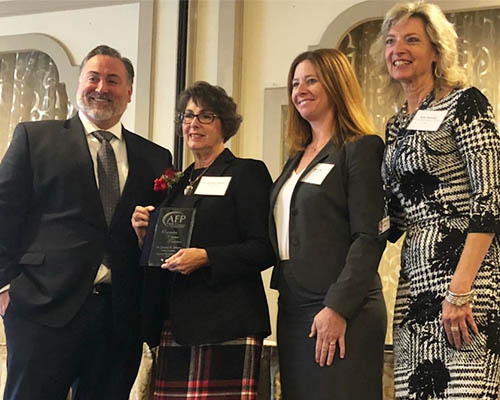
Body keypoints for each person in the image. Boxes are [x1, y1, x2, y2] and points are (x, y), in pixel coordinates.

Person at [0, 45, 172, 400]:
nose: (101, 87)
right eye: (93, 77)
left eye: (113, 80)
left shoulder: (155, 158)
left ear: (129, 92)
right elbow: (4, 212)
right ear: (79, 83)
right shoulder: (34, 138)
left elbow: (156, 238)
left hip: (119, 316)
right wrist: (3, 288)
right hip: (42, 309)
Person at [371, 2, 500, 399]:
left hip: (466, 275)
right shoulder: (396, 124)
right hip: (416, 277)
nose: (398, 49)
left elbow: (491, 199)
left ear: (437, 51)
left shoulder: (465, 104)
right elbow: (393, 214)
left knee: (464, 390)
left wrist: (460, 290)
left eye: (412, 39)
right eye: (391, 41)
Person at [132, 81, 274, 400]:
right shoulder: (178, 183)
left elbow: (264, 248)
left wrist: (207, 257)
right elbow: (164, 256)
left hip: (226, 324)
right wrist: (145, 236)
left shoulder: (246, 173)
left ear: (224, 123)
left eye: (205, 115)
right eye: (187, 115)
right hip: (175, 326)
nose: (193, 123)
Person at [268, 48, 387, 400]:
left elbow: (369, 237)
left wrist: (336, 307)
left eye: (310, 80)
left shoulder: (361, 148)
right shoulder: (295, 158)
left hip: (343, 308)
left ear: (335, 84)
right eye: (294, 83)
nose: (299, 90)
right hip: (292, 308)